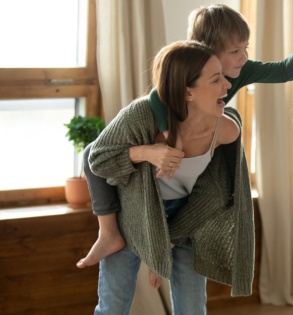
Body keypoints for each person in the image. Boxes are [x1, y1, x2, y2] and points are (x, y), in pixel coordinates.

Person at [77, 2, 293, 285]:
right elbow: (157, 100)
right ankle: (108, 232)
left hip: (192, 153)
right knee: (91, 154)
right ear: (206, 52)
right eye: (235, 51)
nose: (244, 57)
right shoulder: (188, 70)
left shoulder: (239, 70)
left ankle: (163, 246)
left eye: (246, 48)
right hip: (158, 146)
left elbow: (284, 70)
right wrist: (168, 140)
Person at [87, 40, 254, 314]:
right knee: (112, 309)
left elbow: (215, 195)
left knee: (192, 309)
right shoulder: (141, 116)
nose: (227, 84)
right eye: (216, 79)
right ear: (187, 93)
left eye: (223, 76)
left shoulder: (226, 132)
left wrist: (166, 241)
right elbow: (98, 160)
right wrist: (146, 153)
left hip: (187, 217)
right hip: (132, 214)